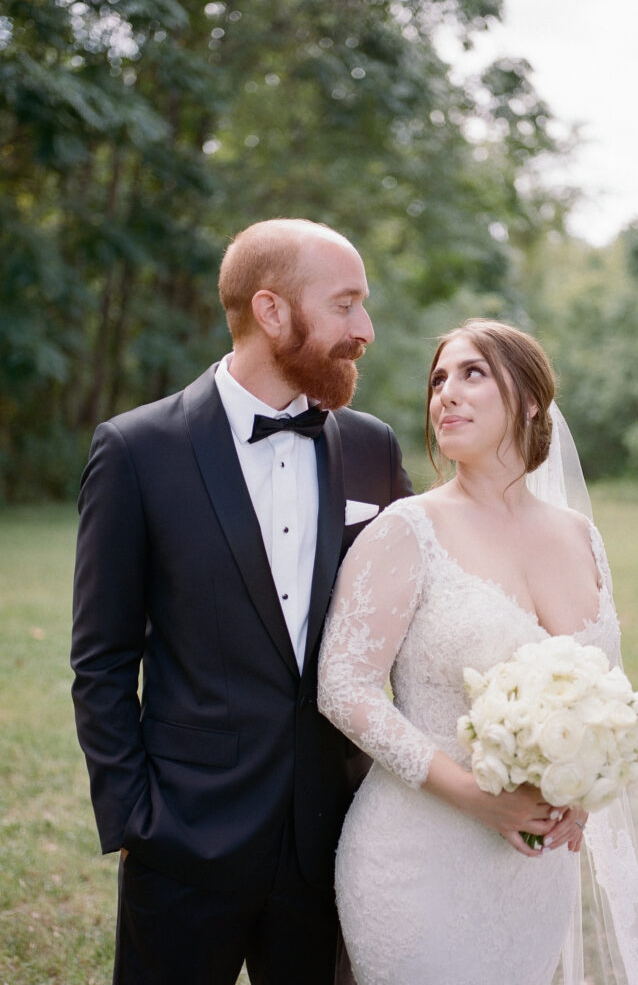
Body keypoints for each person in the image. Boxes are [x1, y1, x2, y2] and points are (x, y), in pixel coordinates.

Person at [71, 218, 412, 985]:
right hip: (185, 838)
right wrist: (136, 819)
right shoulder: (136, 450)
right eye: (346, 304)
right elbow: (101, 658)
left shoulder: (371, 448)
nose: (366, 329)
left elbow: (424, 620)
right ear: (271, 311)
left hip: (332, 837)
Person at [318, 318, 638, 984]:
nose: (446, 393)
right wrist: (474, 796)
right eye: (438, 380)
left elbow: (605, 692)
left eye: (472, 373)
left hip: (533, 870)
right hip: (416, 857)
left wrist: (581, 789)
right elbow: (343, 687)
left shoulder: (581, 536)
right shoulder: (408, 529)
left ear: (532, 399)